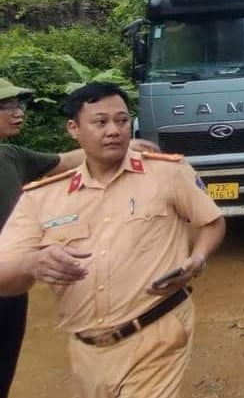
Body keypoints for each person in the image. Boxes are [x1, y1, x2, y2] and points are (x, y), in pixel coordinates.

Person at [0, 82, 224, 398]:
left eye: (121, 121)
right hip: (87, 350)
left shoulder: (166, 173)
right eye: (101, 122)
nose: (114, 131)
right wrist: (32, 262)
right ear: (73, 128)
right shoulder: (42, 198)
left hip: (158, 332)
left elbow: (212, 221)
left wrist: (196, 259)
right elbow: (5, 272)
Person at [0, 78, 157, 398]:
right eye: (6, 106)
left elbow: (64, 162)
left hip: (12, 286)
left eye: (19, 105)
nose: (17, 112)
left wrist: (125, 148)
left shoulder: (11, 156)